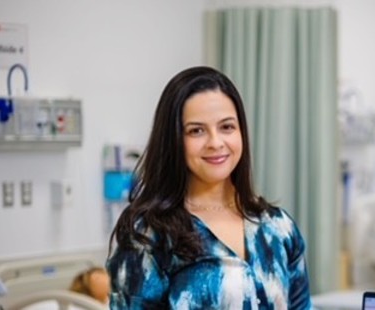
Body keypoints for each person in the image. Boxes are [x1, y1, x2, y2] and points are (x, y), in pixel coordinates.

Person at [106, 66, 312, 309]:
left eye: (226, 127)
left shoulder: (278, 228)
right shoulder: (148, 235)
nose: (215, 142)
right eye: (196, 131)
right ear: (174, 140)